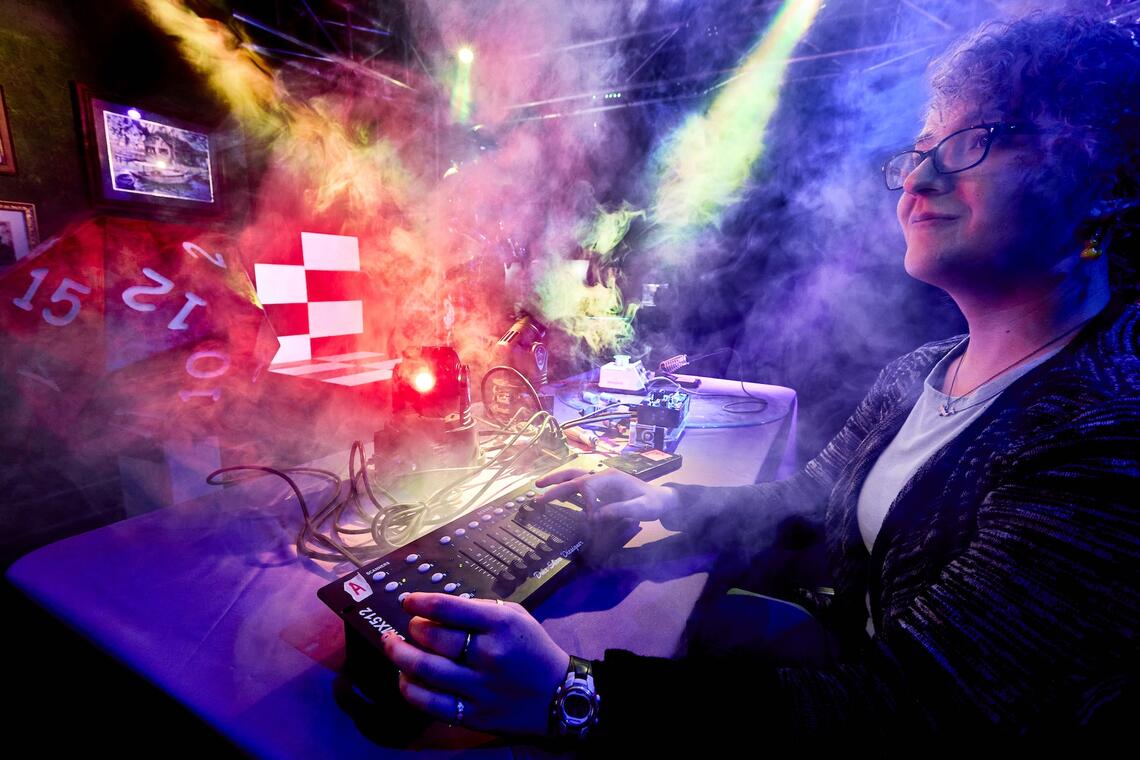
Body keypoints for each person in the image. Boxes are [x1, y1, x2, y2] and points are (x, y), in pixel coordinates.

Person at [379, 13, 1140, 742]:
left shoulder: (1106, 444)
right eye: (918, 150)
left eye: (974, 141)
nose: (921, 178)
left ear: (1102, 185)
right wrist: (667, 498)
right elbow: (812, 498)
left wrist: (572, 699)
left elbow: (914, 712)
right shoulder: (923, 370)